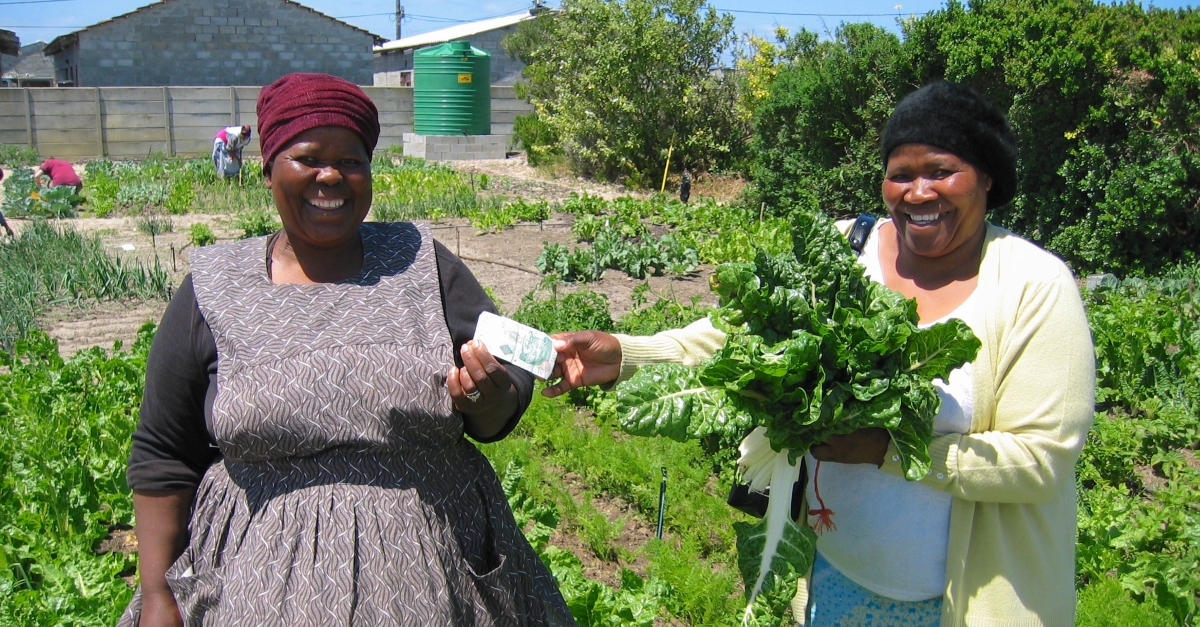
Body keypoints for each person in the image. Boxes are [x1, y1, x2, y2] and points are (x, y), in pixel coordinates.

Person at [544, 82, 1094, 627]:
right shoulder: (842, 249)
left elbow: (1040, 462)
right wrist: (623, 355)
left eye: (941, 171)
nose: (918, 192)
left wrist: (886, 449)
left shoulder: (1034, 284)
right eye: (900, 174)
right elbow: (730, 343)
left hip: (972, 610)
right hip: (834, 586)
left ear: (987, 177)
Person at [118, 73, 574, 627]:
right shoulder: (215, 286)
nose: (330, 175)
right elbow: (163, 454)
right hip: (255, 580)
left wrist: (490, 401)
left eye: (352, 160)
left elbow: (512, 368)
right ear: (266, 168)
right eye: (307, 157)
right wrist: (159, 597)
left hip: (437, 573)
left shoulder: (421, 263)